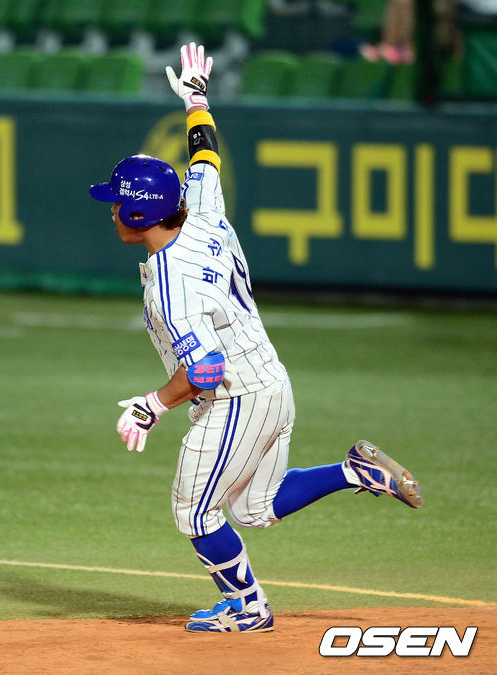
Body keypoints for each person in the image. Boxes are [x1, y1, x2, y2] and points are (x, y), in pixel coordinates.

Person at [89, 42, 423, 634]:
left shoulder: (171, 284)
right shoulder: (203, 211)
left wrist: (151, 406)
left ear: (139, 216)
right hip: (272, 382)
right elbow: (205, 158)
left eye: (116, 203)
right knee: (254, 507)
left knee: (194, 513)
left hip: (237, 399)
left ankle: (249, 608)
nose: (110, 210)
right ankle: (355, 472)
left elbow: (205, 371)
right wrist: (196, 101)